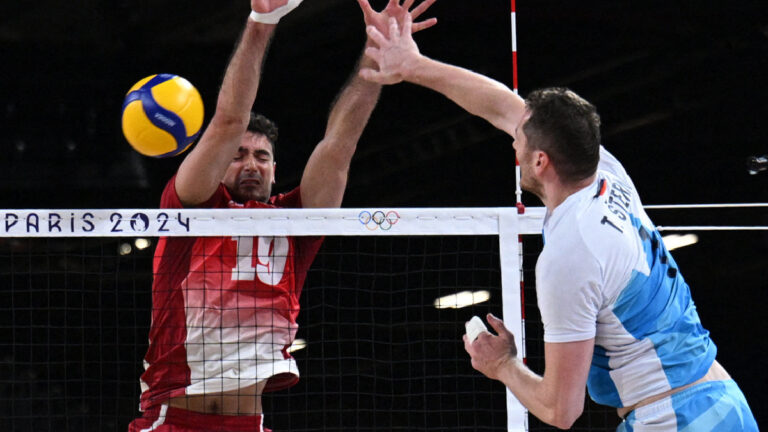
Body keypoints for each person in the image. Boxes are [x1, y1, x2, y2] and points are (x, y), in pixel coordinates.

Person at [359, 14, 758, 431]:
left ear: (540, 160)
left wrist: (503, 365)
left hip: (674, 419)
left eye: (519, 141)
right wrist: (413, 66)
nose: (513, 143)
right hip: (721, 397)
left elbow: (560, 411)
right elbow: (501, 106)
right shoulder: (604, 171)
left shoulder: (571, 253)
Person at [128, 1, 438, 431]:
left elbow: (340, 143)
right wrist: (262, 21)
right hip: (173, 419)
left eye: (262, 156)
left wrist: (376, 50)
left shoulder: (297, 222)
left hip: (249, 422)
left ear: (275, 168)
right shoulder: (191, 209)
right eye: (238, 156)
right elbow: (227, 121)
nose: (251, 164)